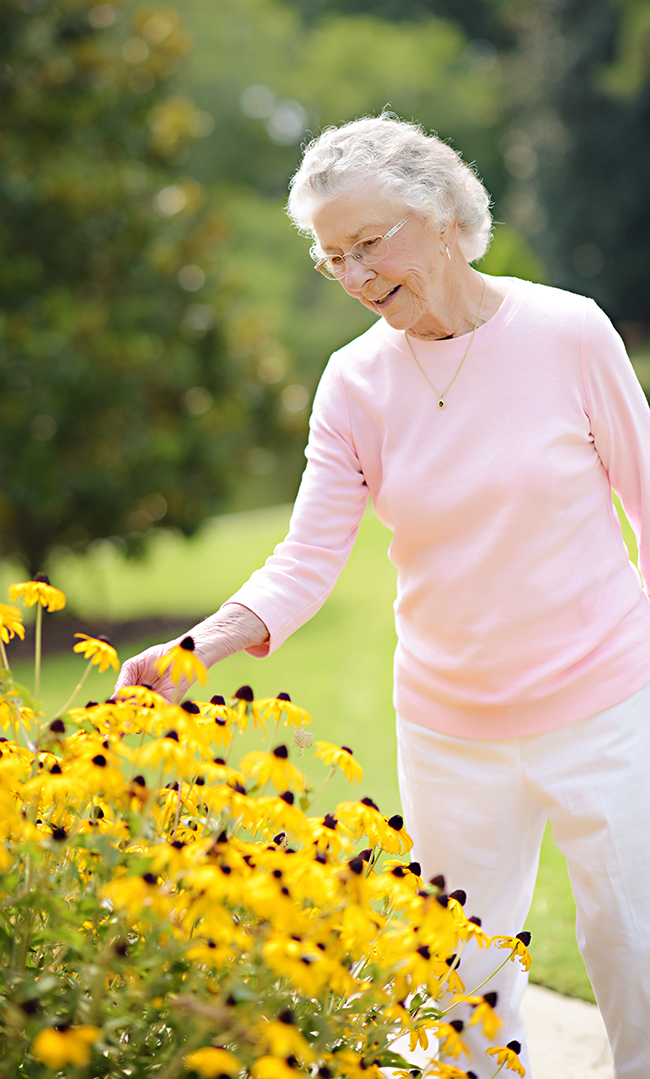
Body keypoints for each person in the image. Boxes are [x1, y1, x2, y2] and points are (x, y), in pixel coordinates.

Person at [115, 115, 650, 1078]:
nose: (356, 277)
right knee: (459, 980)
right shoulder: (354, 381)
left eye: (369, 244)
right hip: (449, 727)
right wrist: (198, 646)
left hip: (605, 703)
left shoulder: (570, 332)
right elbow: (306, 556)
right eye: (333, 259)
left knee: (637, 956)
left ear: (442, 214)